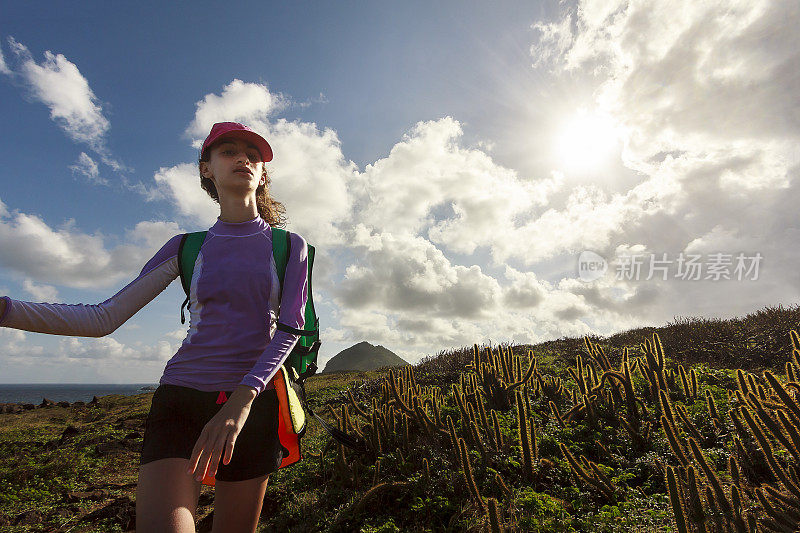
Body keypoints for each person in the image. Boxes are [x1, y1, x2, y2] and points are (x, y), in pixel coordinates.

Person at [0, 122, 309, 532]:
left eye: (253, 155)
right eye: (229, 151)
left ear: (263, 174)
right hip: (180, 400)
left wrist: (241, 401)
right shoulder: (186, 246)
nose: (243, 159)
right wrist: (5, 309)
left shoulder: (289, 246)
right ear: (206, 170)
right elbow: (103, 318)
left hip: (254, 404)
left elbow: (289, 329)